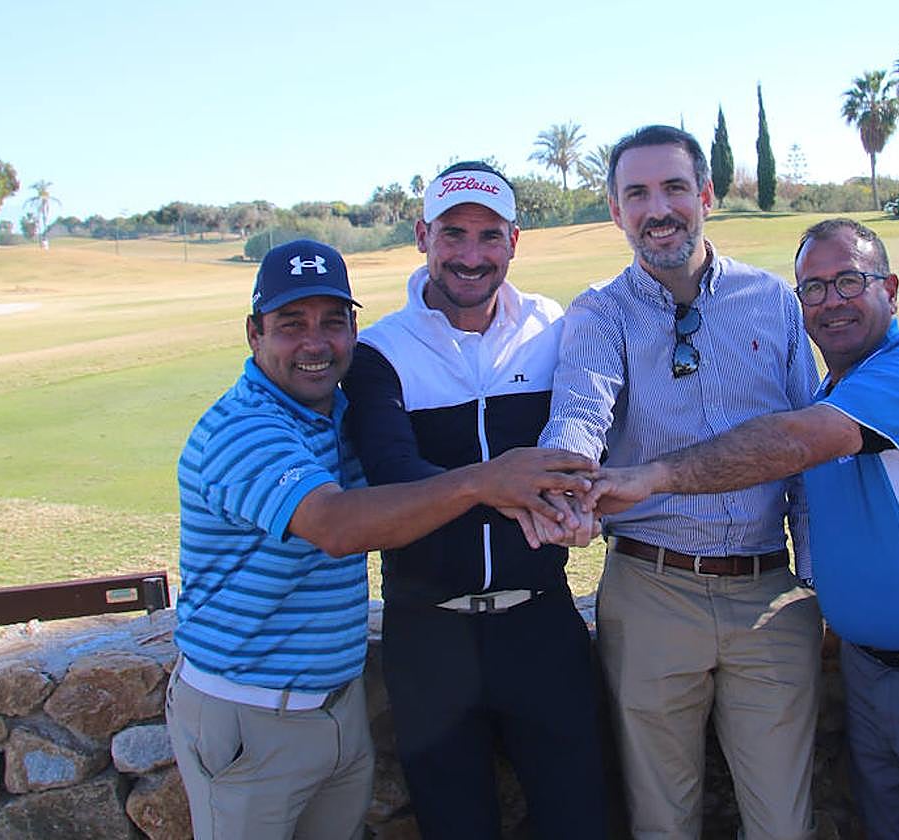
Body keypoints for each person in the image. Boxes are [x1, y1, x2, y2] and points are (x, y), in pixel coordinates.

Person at [587, 218, 899, 839]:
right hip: (874, 675)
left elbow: (792, 443)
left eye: (849, 281)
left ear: (892, 288)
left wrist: (652, 478)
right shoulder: (832, 389)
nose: (831, 301)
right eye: (814, 288)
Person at [168, 238, 595, 840]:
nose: (316, 344)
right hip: (249, 711)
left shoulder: (334, 413)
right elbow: (338, 527)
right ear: (253, 333)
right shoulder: (246, 429)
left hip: (334, 707)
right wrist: (486, 481)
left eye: (334, 323)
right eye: (291, 324)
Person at [539, 125, 823, 840]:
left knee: (782, 824)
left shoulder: (771, 301)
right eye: (636, 193)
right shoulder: (599, 313)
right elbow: (579, 411)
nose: (656, 208)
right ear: (614, 211)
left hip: (768, 593)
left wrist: (818, 580)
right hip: (651, 591)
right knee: (662, 823)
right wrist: (565, 490)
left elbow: (809, 449)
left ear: (704, 195)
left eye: (672, 188)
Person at [340, 164, 607, 839]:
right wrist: (503, 483)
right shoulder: (380, 351)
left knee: (578, 818)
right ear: (422, 234)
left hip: (540, 625)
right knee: (455, 824)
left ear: (514, 240)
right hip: (427, 633)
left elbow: (586, 439)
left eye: (489, 235)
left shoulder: (553, 327)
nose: (469, 254)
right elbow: (394, 473)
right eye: (452, 233)